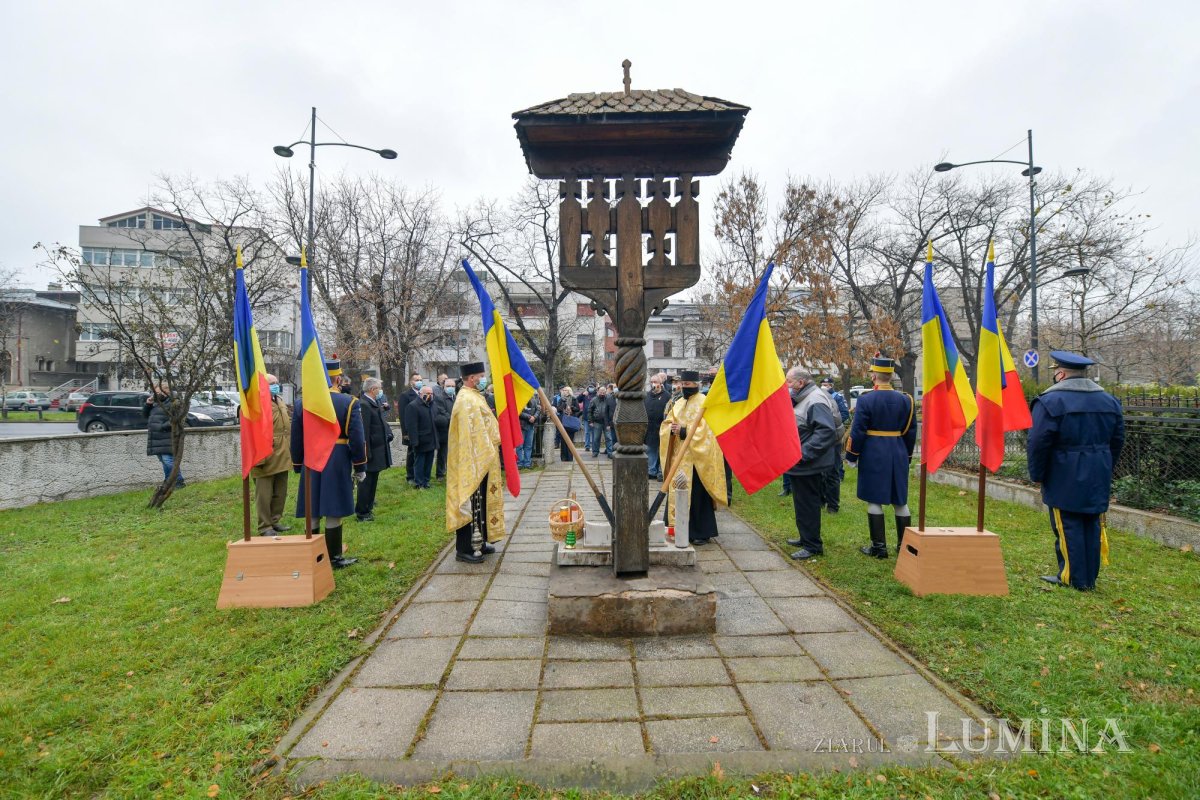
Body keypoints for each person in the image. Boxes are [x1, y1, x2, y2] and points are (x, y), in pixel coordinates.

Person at [1027, 351, 1125, 590]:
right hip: (1098, 468)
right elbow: (1118, 439)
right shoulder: (1109, 401)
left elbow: (1038, 442)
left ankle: (1072, 577)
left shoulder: (1050, 401)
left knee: (1066, 523)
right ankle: (1089, 576)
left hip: (1063, 470)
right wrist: (1105, 464)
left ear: (1060, 373)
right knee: (1091, 522)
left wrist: (1037, 474)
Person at [291, 355, 367, 568]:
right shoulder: (349, 402)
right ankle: (333, 558)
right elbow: (357, 438)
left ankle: (312, 557)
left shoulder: (301, 404)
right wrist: (360, 465)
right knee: (334, 507)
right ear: (337, 380)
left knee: (312, 508)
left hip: (311, 458)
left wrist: (297, 463)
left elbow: (296, 437)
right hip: (337, 456)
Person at [845, 356, 916, 558]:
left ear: (874, 376)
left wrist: (851, 455)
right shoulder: (906, 400)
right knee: (900, 500)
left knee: (874, 498)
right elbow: (911, 432)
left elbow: (857, 431)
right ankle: (905, 548)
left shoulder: (866, 400)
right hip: (898, 450)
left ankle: (879, 548)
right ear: (892, 376)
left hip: (874, 452)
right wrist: (907, 455)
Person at [446, 362, 507, 563]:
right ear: (472, 378)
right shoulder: (465, 400)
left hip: (482, 458)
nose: (484, 379)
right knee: (470, 501)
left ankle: (478, 541)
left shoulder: (473, 396)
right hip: (472, 459)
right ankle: (464, 549)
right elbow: (470, 433)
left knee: (480, 501)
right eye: (481, 376)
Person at [659, 369, 727, 544]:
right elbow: (667, 423)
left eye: (687, 384)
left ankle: (700, 532)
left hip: (696, 460)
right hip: (679, 458)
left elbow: (709, 431)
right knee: (677, 490)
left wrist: (683, 430)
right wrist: (671, 430)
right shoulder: (679, 402)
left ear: (697, 385)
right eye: (682, 384)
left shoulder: (704, 403)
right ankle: (676, 527)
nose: (683, 387)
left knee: (696, 495)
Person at [782, 369, 841, 559]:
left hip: (809, 463)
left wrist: (803, 454)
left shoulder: (815, 399)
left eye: (789, 382)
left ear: (801, 383)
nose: (787, 386)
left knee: (808, 504)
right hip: (802, 463)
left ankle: (813, 546)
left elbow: (825, 431)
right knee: (802, 502)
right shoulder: (805, 397)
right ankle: (805, 537)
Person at [250, 374, 292, 534]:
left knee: (280, 491)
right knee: (264, 494)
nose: (276, 385)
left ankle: (274, 520)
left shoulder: (278, 400)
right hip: (265, 454)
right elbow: (253, 432)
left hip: (282, 453)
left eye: (277, 382)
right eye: (272, 383)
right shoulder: (256, 404)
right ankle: (264, 526)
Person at [355, 377, 394, 520]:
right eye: (378, 388)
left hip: (377, 450)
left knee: (373, 482)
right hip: (370, 452)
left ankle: (368, 508)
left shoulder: (373, 402)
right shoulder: (364, 405)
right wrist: (366, 453)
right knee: (366, 484)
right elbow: (364, 431)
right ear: (372, 390)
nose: (380, 391)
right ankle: (362, 512)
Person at [143, 381, 185, 488]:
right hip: (156, 437)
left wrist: (162, 426)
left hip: (167, 436)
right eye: (155, 392)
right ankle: (168, 481)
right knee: (163, 461)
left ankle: (179, 481)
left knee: (168, 460)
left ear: (166, 391)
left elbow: (177, 419)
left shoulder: (174, 402)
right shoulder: (156, 402)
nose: (156, 394)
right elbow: (145, 415)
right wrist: (148, 404)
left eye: (158, 392)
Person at [820, 376, 851, 512]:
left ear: (832, 385)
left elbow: (844, 414)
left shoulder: (837, 397)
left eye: (827, 384)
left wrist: (833, 425)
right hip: (821, 437)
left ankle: (832, 505)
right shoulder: (817, 397)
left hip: (833, 436)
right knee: (820, 472)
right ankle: (821, 500)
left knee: (833, 471)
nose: (825, 386)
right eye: (823, 384)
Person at [404, 385, 438, 489]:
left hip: (431, 440)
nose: (429, 396)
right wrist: (414, 442)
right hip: (420, 440)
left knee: (429, 462)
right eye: (427, 393)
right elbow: (411, 426)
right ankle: (418, 483)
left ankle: (426, 481)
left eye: (431, 393)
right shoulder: (413, 406)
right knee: (419, 462)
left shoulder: (432, 405)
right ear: (420, 394)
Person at [397, 372, 423, 485]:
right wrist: (405, 432)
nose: (419, 381)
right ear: (411, 382)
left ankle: (420, 474)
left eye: (420, 379)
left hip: (423, 429)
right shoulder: (405, 395)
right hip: (411, 430)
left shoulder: (423, 393)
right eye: (416, 380)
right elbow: (402, 415)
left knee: (420, 453)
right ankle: (410, 476)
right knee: (412, 453)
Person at [644, 373, 670, 480]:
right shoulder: (647, 395)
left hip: (662, 427)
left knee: (662, 451)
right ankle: (651, 471)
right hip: (650, 428)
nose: (653, 384)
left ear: (661, 383)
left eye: (655, 382)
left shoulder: (667, 396)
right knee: (651, 450)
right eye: (651, 382)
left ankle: (661, 471)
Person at [432, 377, 455, 480]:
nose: (451, 388)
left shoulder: (457, 397)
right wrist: (454, 420)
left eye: (453, 386)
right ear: (443, 387)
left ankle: (452, 472)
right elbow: (442, 412)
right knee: (442, 453)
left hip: (455, 430)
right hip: (444, 430)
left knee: (453, 453)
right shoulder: (439, 397)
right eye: (448, 386)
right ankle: (440, 474)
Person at [555, 385, 581, 461]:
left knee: (570, 440)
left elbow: (578, 409)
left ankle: (570, 457)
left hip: (571, 421)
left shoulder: (574, 399)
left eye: (565, 390)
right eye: (563, 390)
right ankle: (563, 457)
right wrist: (564, 404)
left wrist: (572, 407)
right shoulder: (561, 399)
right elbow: (558, 409)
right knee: (563, 440)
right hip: (563, 421)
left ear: (569, 391)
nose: (564, 391)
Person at [589, 385, 612, 457]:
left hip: (607, 423)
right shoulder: (594, 400)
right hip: (597, 422)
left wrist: (610, 422)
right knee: (596, 438)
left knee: (609, 438)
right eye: (601, 392)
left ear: (606, 392)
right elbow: (590, 411)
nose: (602, 393)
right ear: (598, 392)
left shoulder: (609, 399)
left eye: (604, 392)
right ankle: (595, 452)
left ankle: (610, 453)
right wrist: (591, 421)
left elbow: (611, 411)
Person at [517, 395, 540, 468]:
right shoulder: (519, 400)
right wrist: (529, 417)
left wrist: (534, 417)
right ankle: (520, 463)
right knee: (519, 445)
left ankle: (527, 463)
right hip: (521, 426)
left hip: (530, 425)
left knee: (528, 446)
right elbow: (517, 411)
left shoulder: (533, 400)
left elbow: (538, 410)